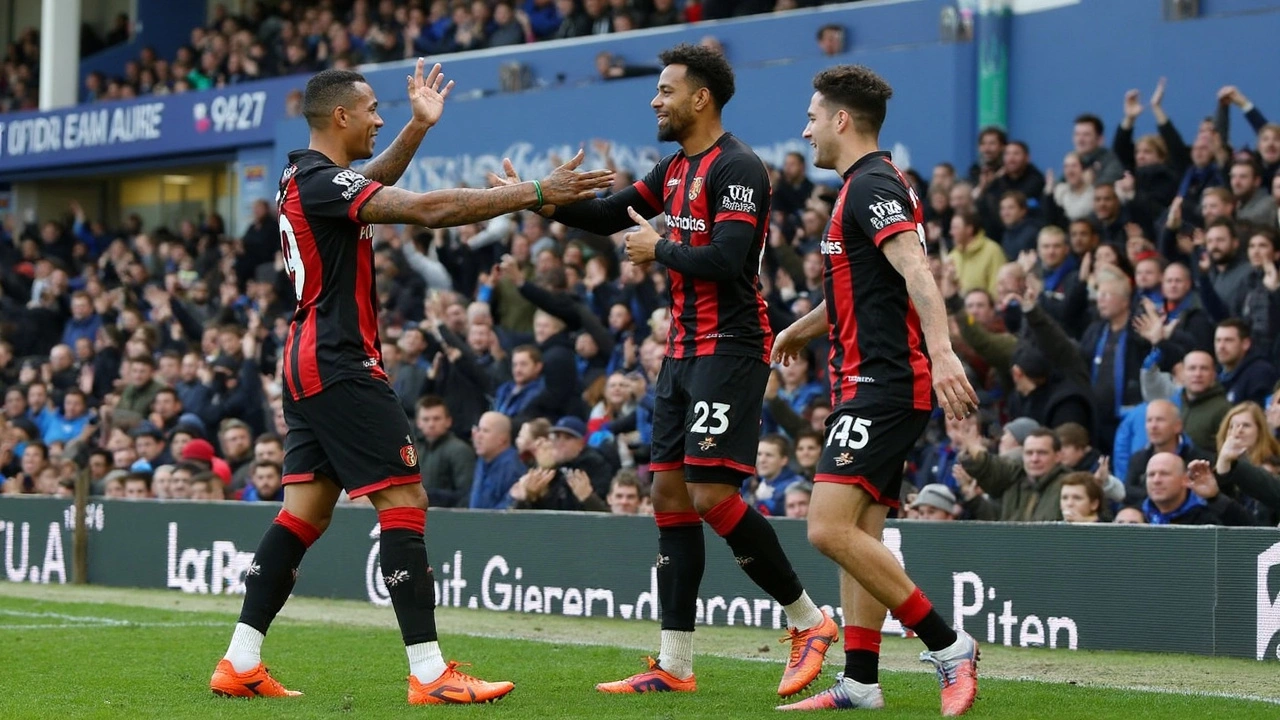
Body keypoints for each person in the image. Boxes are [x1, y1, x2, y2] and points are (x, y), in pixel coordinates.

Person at [209, 60, 611, 705]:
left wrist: (420, 130)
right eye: (372, 109)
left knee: (304, 513)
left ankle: (239, 661)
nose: (379, 118)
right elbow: (428, 207)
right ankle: (429, 673)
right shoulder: (321, 184)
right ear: (340, 116)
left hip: (306, 357)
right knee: (405, 504)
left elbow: (379, 177)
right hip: (341, 361)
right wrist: (537, 193)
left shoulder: (302, 174)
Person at [489, 44, 836, 697]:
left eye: (666, 90)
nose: (655, 100)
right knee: (669, 497)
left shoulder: (739, 169)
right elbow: (603, 214)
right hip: (680, 352)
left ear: (700, 97)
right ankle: (674, 664)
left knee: (709, 493)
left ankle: (808, 621)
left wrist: (659, 247)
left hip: (729, 348)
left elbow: (731, 259)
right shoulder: (672, 167)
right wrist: (531, 198)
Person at [772, 65, 980, 714]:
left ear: (840, 120)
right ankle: (861, 680)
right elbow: (859, 289)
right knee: (859, 533)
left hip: (883, 385)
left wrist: (943, 352)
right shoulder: (861, 189)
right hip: (867, 383)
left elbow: (916, 269)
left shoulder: (872, 185)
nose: (804, 130)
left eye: (811, 117)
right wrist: (802, 330)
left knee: (826, 529)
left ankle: (949, 646)